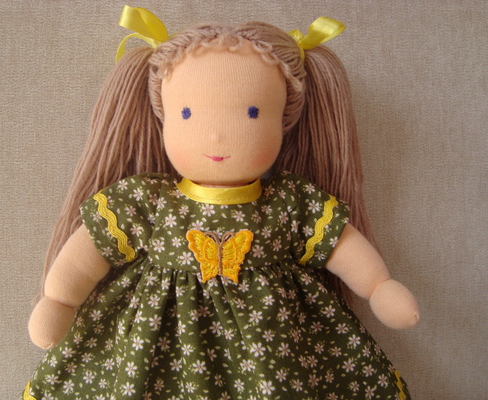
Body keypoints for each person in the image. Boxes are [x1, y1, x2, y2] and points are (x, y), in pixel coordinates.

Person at [23, 7, 418, 399]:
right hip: (158, 346)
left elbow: (340, 246)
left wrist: (378, 286)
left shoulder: (287, 202)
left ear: (282, 120)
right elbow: (87, 254)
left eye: (252, 113)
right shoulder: (149, 200)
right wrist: (59, 300)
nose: (216, 137)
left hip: (274, 345)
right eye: (187, 113)